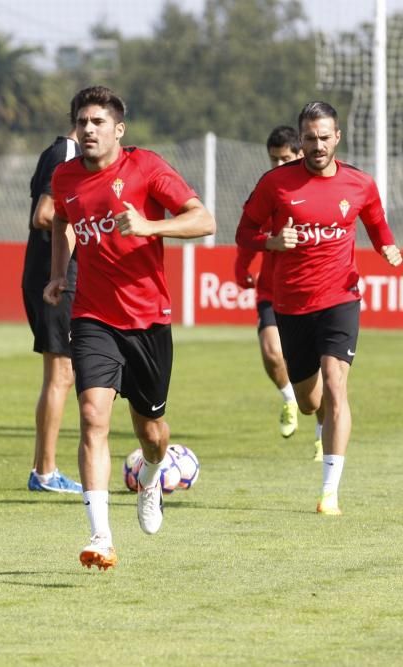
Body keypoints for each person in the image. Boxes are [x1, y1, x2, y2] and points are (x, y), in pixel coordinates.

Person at [43, 86, 215, 570]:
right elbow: (61, 220)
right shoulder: (65, 176)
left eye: (98, 122)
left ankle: (153, 474)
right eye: (82, 122)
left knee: (152, 431)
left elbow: (203, 220)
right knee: (93, 416)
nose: (88, 129)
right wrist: (59, 273)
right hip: (93, 316)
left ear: (119, 130)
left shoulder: (146, 168)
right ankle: (100, 536)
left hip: (148, 320)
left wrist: (148, 228)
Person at [237, 101, 400, 516]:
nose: (316, 145)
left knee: (336, 382)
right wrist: (270, 242)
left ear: (337, 137)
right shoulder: (276, 184)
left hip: (341, 299)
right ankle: (316, 418)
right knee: (312, 401)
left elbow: (378, 225)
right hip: (291, 305)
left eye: (324, 137)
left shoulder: (359, 184)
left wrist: (388, 249)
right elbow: (245, 231)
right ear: (301, 139)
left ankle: (330, 492)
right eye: (309, 138)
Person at [235, 126, 324, 460]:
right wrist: (242, 267)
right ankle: (288, 399)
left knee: (320, 373)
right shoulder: (270, 188)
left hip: (315, 293)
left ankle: (321, 433)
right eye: (273, 159)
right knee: (272, 352)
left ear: (300, 153)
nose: (278, 164)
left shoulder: (321, 186)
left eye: (284, 158)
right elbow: (249, 228)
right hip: (272, 290)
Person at [21, 107, 83, 494]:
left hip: (54, 277)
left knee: (64, 373)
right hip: (54, 278)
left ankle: (44, 470)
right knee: (60, 375)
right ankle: (44, 473)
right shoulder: (65, 153)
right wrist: (91, 221)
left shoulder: (62, 153)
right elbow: (44, 214)